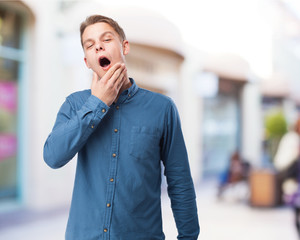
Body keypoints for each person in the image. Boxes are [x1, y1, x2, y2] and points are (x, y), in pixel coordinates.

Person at [43, 15, 200, 240]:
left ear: (124, 47)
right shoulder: (74, 104)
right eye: (90, 45)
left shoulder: (162, 108)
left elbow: (180, 180)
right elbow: (52, 157)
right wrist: (97, 104)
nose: (98, 45)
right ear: (87, 61)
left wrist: (189, 237)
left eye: (106, 39)